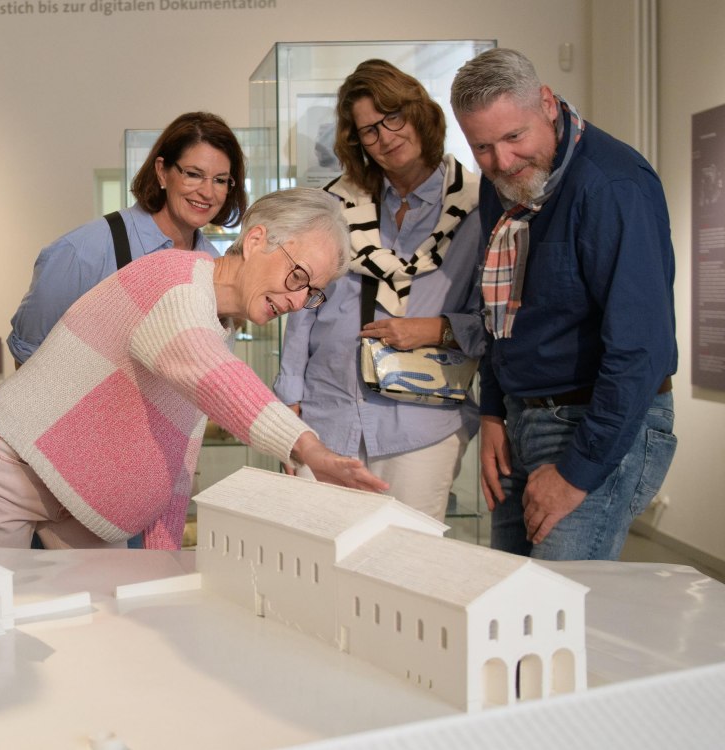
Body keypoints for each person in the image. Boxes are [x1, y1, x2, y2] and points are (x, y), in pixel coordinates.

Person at [0, 188, 390, 551]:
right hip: (6, 469)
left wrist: (165, 555)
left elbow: (177, 451)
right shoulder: (175, 285)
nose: (297, 302)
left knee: (102, 630)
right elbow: (217, 376)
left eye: (312, 293)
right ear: (256, 241)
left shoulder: (219, 322)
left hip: (76, 497)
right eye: (298, 277)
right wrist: (307, 447)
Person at [450, 48, 678, 560]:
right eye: (482, 146)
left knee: (562, 616)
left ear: (548, 104)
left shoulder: (613, 186)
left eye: (514, 137)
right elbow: (499, 315)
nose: (502, 161)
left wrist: (577, 471)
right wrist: (492, 415)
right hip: (518, 419)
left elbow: (641, 348)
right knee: (508, 608)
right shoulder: (500, 184)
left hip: (592, 424)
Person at [274, 60, 485, 523]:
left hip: (420, 423)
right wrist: (288, 397)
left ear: (419, 114)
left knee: (406, 562)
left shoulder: (477, 207)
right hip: (326, 413)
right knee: (314, 557)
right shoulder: (334, 203)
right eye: (368, 131)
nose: (385, 136)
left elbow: (496, 318)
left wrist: (436, 328)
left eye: (393, 117)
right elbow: (304, 304)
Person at [7, 112, 246, 365]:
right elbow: (28, 358)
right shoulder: (83, 252)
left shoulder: (212, 264)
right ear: (162, 172)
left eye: (220, 180)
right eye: (193, 174)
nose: (207, 192)